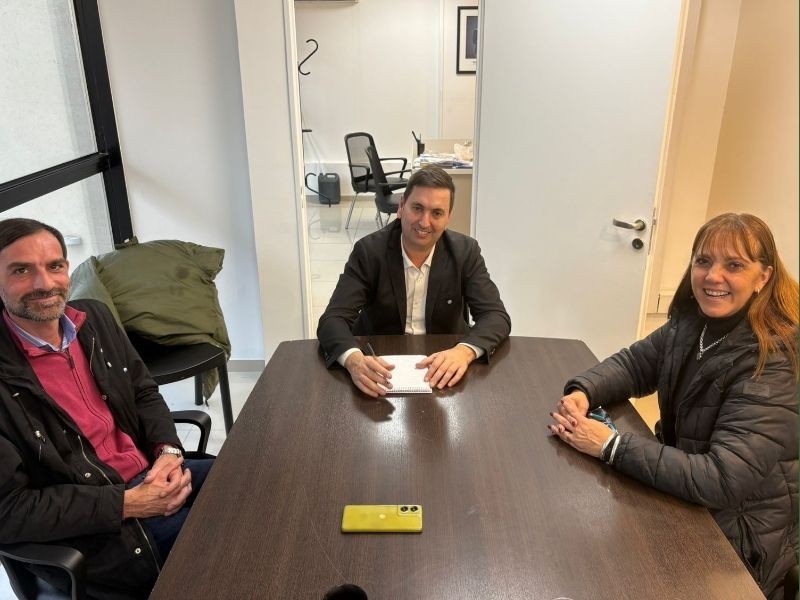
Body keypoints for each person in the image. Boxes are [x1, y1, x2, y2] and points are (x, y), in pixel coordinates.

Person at [548, 213, 798, 600]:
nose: (713, 276)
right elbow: (634, 365)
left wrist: (611, 445)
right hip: (688, 498)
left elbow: (722, 479)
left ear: (763, 277)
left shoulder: (774, 358)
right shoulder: (693, 322)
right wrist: (584, 391)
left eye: (734, 265)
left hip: (738, 540)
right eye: (703, 261)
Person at [0, 218, 214, 600]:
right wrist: (127, 504)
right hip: (101, 530)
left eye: (54, 266)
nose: (44, 283)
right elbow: (10, 511)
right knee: (238, 547)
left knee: (258, 483)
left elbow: (144, 392)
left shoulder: (93, 319)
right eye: (21, 271)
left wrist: (168, 451)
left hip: (152, 475)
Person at [317, 165, 511, 397]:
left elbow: (495, 316)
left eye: (437, 213)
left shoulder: (465, 252)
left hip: (444, 365)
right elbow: (333, 319)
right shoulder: (369, 252)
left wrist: (464, 352)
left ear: (448, 218)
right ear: (401, 207)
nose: (424, 222)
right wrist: (354, 360)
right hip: (379, 366)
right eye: (417, 208)